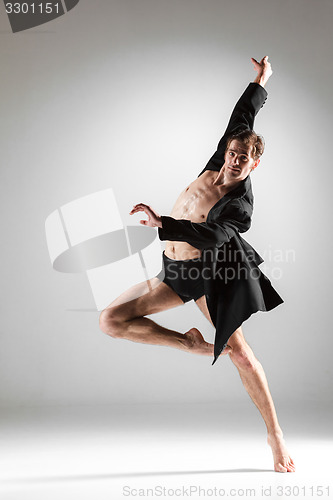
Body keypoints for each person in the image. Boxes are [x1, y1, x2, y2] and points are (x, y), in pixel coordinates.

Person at [99, 56, 295, 473]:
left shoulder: (240, 205)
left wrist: (162, 223)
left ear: (255, 164)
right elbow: (242, 115)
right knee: (110, 321)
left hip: (207, 279)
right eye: (234, 152)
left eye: (245, 158)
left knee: (242, 356)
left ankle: (275, 434)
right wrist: (261, 80)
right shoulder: (215, 164)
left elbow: (212, 235)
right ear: (227, 150)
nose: (236, 160)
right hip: (172, 273)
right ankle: (189, 344)